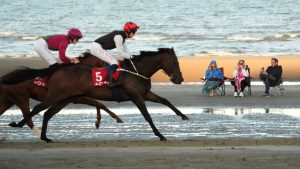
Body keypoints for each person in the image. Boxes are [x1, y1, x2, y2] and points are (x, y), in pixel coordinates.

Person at [90, 22, 139, 87]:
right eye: (134, 32)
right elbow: (120, 53)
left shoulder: (122, 37)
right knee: (114, 62)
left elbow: (126, 52)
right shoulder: (119, 37)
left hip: (98, 47)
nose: (134, 34)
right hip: (97, 47)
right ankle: (110, 82)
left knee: (115, 60)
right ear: (129, 31)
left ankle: (109, 77)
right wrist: (132, 56)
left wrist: (134, 57)